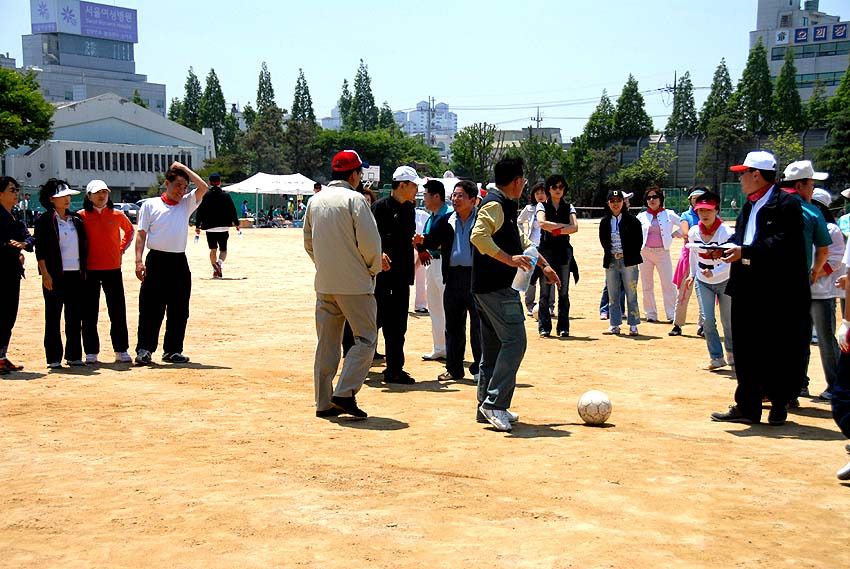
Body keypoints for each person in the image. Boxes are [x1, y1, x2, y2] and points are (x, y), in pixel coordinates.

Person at [712, 151, 809, 426]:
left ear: (757, 175)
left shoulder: (786, 204)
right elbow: (743, 237)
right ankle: (748, 406)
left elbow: (783, 245)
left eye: (744, 173)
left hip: (775, 290)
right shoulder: (748, 206)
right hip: (746, 286)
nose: (740, 179)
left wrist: (745, 251)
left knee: (776, 348)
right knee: (745, 349)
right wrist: (725, 247)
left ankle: (779, 404)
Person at [470, 157, 561, 432]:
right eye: (522, 180)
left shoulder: (504, 206)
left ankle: (486, 405)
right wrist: (509, 260)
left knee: (494, 349)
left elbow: (521, 241)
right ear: (518, 181)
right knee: (515, 342)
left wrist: (544, 265)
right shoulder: (496, 204)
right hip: (497, 289)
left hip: (485, 289)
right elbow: (478, 236)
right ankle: (494, 404)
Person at [304, 149, 382, 419]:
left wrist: (324, 265)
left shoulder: (315, 201)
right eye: (360, 172)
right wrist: (372, 269)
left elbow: (308, 242)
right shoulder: (355, 200)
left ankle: (323, 402)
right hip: (355, 283)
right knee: (366, 338)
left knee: (326, 343)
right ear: (353, 174)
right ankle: (345, 392)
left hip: (325, 282)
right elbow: (370, 243)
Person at [134, 162, 208, 365]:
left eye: (184, 187)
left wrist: (184, 169)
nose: (181, 191)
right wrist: (139, 261)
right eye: (177, 186)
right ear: (166, 183)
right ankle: (144, 349)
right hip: (156, 260)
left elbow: (203, 187)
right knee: (151, 308)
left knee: (179, 308)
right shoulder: (150, 205)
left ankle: (173, 350)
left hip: (178, 261)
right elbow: (141, 235)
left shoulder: (186, 204)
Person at [779, 160, 832, 401]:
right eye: (811, 184)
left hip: (768, 282)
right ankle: (795, 388)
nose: (812, 189)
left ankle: (772, 387)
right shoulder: (812, 212)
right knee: (798, 338)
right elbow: (823, 251)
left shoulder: (768, 205)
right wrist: (813, 273)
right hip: (798, 283)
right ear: (800, 186)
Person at [421, 180, 481, 382]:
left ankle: (479, 368)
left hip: (475, 277)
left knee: (478, 324)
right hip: (453, 276)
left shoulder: (481, 220)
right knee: (453, 325)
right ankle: (454, 369)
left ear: (473, 200)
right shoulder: (446, 220)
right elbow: (429, 241)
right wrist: (420, 245)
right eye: (454, 195)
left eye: (461, 195)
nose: (455, 199)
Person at [372, 165, 423, 384]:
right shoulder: (379, 207)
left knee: (398, 324)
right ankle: (359, 365)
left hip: (402, 274)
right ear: (402, 185)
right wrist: (378, 255)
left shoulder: (409, 209)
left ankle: (394, 368)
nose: (416, 189)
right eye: (414, 185)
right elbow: (370, 238)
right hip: (382, 275)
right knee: (375, 320)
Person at [79, 179, 134, 364]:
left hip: (113, 268)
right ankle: (91, 351)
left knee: (118, 311)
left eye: (105, 192)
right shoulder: (80, 216)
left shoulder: (117, 214)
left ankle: (121, 349)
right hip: (89, 269)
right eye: (97, 193)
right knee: (89, 312)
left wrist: (120, 250)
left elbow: (129, 232)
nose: (102, 196)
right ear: (89, 196)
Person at [34, 179, 87, 368]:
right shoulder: (44, 220)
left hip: (76, 275)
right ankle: (54, 358)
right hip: (55, 275)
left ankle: (73, 355)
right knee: (53, 317)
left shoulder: (76, 219)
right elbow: (40, 250)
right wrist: (45, 274)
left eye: (67, 196)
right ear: (51, 200)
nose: (66, 200)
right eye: (61, 197)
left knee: (74, 317)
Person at [686, 191, 734, 369]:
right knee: (707, 319)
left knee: (728, 320)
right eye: (700, 210)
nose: (704, 214)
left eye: (708, 210)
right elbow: (694, 254)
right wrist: (692, 274)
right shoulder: (694, 232)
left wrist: (714, 273)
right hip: (703, 281)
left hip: (726, 280)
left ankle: (731, 352)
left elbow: (730, 261)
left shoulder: (726, 232)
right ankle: (716, 356)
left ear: (716, 210)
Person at [809, 188, 845, 400]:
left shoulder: (831, 229)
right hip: (801, 291)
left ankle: (836, 385)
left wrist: (814, 275)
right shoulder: (804, 226)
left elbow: (835, 261)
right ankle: (799, 385)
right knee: (800, 339)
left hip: (822, 292)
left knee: (825, 339)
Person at [536, 174, 578, 338]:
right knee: (545, 291)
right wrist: (563, 227)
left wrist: (555, 230)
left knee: (564, 292)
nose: (558, 190)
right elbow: (542, 223)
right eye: (554, 187)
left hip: (563, 251)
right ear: (549, 189)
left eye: (561, 187)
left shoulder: (569, 207)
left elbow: (574, 227)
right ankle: (544, 327)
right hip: (546, 251)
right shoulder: (541, 206)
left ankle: (563, 327)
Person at [0, 176, 34, 374]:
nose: (16, 194)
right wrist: (10, 247)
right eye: (12, 190)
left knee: (9, 315)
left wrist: (24, 245)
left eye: (17, 190)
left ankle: (2, 356)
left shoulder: (15, 216)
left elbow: (28, 236)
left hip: (12, 271)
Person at [599, 190, 643, 336]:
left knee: (631, 294)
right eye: (612, 201)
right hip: (612, 261)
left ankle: (633, 324)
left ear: (623, 202)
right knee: (613, 294)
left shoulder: (633, 221)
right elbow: (603, 241)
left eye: (618, 200)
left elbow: (638, 241)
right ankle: (614, 324)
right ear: (608, 203)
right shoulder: (605, 222)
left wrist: (628, 254)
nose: (615, 204)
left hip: (628, 261)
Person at [636, 186, 681, 323]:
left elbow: (685, 224)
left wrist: (674, 234)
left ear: (660, 199)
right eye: (649, 197)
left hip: (663, 252)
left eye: (654, 197)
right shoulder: (641, 216)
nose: (652, 200)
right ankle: (650, 313)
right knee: (647, 284)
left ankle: (672, 314)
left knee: (668, 283)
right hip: (645, 253)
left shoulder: (669, 214)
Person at [417, 179, 450, 361]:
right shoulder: (431, 217)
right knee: (435, 307)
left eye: (426, 195)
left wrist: (423, 242)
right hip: (432, 262)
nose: (424, 199)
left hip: (444, 262)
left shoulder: (448, 214)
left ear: (436, 196)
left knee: (448, 308)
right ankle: (440, 347)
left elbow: (439, 241)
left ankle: (451, 347)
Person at [669, 187, 707, 337]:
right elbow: (685, 233)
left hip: (706, 258)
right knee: (684, 292)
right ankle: (678, 324)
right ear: (690, 200)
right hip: (689, 257)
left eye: (701, 198)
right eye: (694, 198)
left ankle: (703, 325)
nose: (697, 201)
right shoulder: (686, 215)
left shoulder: (710, 213)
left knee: (705, 294)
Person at [195, 173, 241, 279]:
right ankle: (219, 264)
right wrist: (237, 224)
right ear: (220, 182)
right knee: (223, 250)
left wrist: (197, 225)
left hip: (210, 228)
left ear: (209, 183)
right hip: (223, 227)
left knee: (213, 250)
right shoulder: (226, 196)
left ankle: (214, 269)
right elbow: (232, 210)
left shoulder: (205, 196)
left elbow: (200, 211)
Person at [517, 182, 551, 316]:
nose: (540, 195)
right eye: (537, 193)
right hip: (532, 247)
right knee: (530, 276)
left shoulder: (551, 208)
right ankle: (530, 305)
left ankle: (550, 305)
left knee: (548, 275)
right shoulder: (529, 209)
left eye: (542, 193)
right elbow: (519, 221)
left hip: (547, 247)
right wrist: (523, 237)